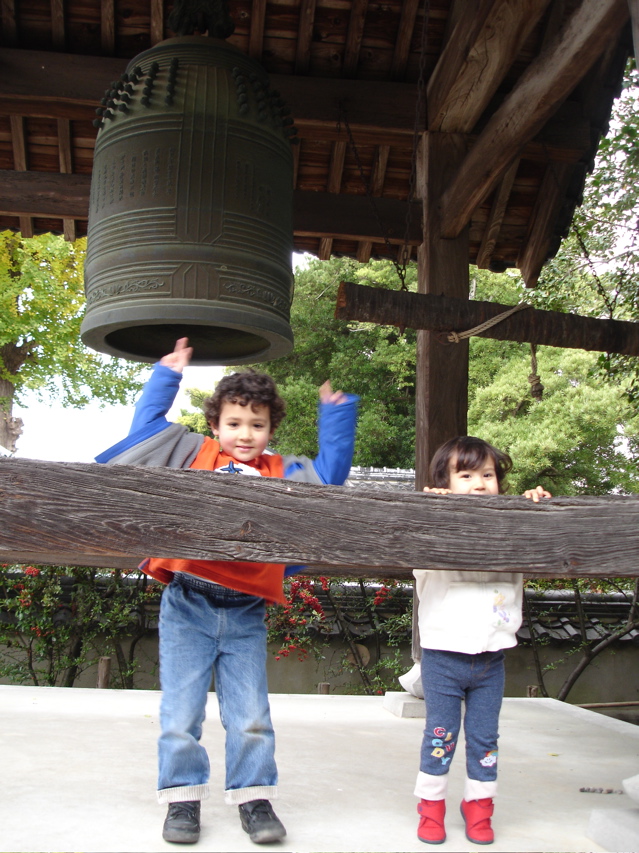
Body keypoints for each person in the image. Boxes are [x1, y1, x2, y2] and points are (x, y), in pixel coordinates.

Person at [96, 338, 359, 846]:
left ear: (271, 430)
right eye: (234, 423)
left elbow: (330, 478)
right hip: (187, 602)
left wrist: (337, 416)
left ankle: (254, 797)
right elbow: (145, 434)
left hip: (245, 613)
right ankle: (181, 800)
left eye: (257, 425)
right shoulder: (194, 453)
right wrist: (166, 376)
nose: (245, 434)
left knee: (251, 714)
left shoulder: (281, 472)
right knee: (181, 712)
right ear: (215, 425)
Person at [413, 435, 551, 846]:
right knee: (441, 734)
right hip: (442, 659)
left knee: (485, 737)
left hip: (491, 660)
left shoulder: (511, 530)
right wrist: (431, 509)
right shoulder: (431, 526)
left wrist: (535, 505)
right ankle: (431, 806)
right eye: (466, 475)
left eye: (487, 475)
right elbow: (409, 536)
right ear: (443, 484)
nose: (478, 484)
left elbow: (545, 537)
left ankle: (478, 805)